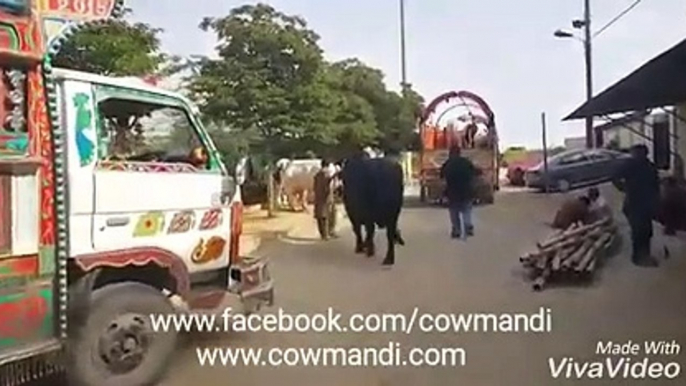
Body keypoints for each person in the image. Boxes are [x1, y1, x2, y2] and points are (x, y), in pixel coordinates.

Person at [613, 144, 660, 267]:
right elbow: (614, 177)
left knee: (646, 231)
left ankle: (645, 255)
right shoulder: (629, 165)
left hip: (645, 203)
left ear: (644, 153)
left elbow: (656, 186)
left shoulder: (650, 167)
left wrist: (655, 202)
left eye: (635, 153)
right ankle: (638, 257)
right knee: (638, 231)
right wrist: (624, 188)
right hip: (634, 204)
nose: (634, 155)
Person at [440, 144, 480, 239]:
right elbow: (475, 173)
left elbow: (442, 177)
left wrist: (443, 192)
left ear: (450, 153)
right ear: (459, 153)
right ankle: (468, 226)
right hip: (466, 190)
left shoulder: (447, 164)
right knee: (467, 210)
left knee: (454, 212)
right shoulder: (466, 162)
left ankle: (456, 230)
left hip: (452, 192)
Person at [313, 159, 338, 240]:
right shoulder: (325, 174)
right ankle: (328, 233)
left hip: (319, 197)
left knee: (321, 216)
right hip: (326, 197)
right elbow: (327, 185)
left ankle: (324, 234)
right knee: (326, 216)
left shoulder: (317, 175)